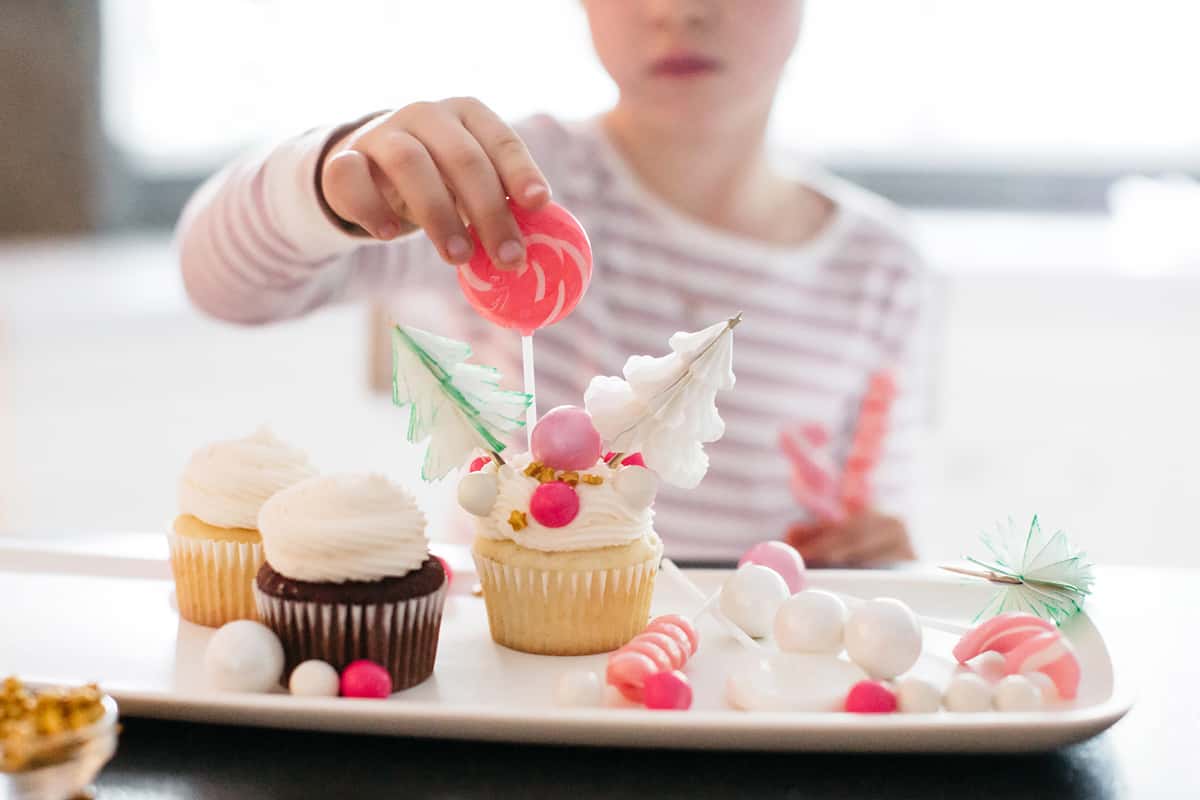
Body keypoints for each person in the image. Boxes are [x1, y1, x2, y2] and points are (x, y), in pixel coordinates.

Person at [177, 0, 923, 565]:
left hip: (743, 681)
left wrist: (880, 562)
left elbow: (868, 505)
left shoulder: (879, 263)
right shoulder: (496, 184)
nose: (677, 11)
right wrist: (329, 181)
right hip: (511, 660)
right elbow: (225, 287)